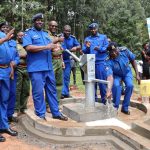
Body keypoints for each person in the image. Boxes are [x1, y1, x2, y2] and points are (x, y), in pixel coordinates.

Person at [22, 13, 68, 121]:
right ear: (34, 22)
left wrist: (56, 43)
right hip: (36, 68)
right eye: (37, 20)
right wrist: (46, 47)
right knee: (38, 92)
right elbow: (28, 47)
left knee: (52, 91)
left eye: (41, 20)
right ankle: (40, 114)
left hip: (48, 68)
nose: (39, 22)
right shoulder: (28, 33)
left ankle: (55, 112)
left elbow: (49, 43)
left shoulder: (45, 34)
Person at [106, 42, 140, 115]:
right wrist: (109, 90)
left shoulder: (125, 51)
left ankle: (125, 108)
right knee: (116, 86)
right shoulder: (108, 61)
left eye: (115, 51)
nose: (114, 53)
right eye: (112, 52)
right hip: (116, 75)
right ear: (109, 53)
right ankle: (115, 107)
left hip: (127, 72)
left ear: (118, 48)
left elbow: (133, 60)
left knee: (130, 85)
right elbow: (110, 76)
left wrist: (137, 74)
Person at [82, 23, 109, 103]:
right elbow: (84, 51)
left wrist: (99, 49)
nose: (93, 30)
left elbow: (107, 48)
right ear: (90, 30)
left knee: (102, 83)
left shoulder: (103, 37)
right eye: (91, 29)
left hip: (100, 63)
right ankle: (93, 101)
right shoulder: (87, 39)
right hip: (90, 63)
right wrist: (87, 47)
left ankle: (104, 101)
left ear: (97, 28)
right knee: (91, 83)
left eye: (95, 29)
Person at [0, 23, 18, 142]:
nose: (6, 29)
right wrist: (5, 38)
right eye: (4, 27)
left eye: (8, 28)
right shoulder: (4, 38)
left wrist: (11, 70)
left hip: (6, 71)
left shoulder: (9, 41)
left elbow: (11, 58)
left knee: (4, 100)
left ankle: (4, 126)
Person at [45, 20, 64, 113]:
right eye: (52, 26)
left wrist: (62, 61)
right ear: (48, 26)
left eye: (55, 26)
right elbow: (46, 44)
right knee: (50, 84)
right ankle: (48, 105)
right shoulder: (45, 35)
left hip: (59, 60)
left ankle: (56, 103)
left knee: (59, 84)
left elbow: (60, 49)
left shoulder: (57, 36)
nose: (54, 27)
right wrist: (57, 40)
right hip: (51, 61)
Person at [61, 25, 81, 99]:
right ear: (63, 30)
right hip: (60, 60)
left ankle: (66, 93)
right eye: (66, 31)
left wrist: (75, 48)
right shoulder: (60, 37)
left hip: (68, 61)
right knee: (61, 77)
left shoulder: (72, 38)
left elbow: (79, 46)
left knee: (67, 77)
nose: (67, 32)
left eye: (69, 31)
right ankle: (61, 93)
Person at [15, 31, 30, 116]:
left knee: (26, 89)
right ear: (17, 36)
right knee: (18, 89)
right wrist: (21, 55)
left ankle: (23, 107)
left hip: (27, 68)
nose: (21, 37)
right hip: (18, 68)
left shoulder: (27, 44)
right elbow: (12, 54)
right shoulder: (14, 44)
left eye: (23, 35)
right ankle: (16, 109)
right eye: (19, 35)